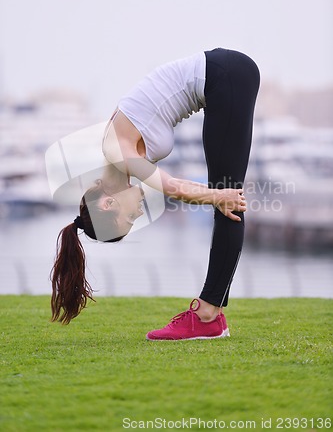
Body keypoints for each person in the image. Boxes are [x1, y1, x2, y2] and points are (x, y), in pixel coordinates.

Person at [51, 47, 260, 340]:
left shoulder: (117, 152)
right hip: (221, 78)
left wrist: (217, 197)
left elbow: (173, 187)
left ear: (109, 203)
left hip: (224, 75)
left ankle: (207, 315)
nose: (138, 213)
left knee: (228, 198)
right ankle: (213, 314)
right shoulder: (117, 153)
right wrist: (216, 197)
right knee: (225, 196)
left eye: (129, 219)